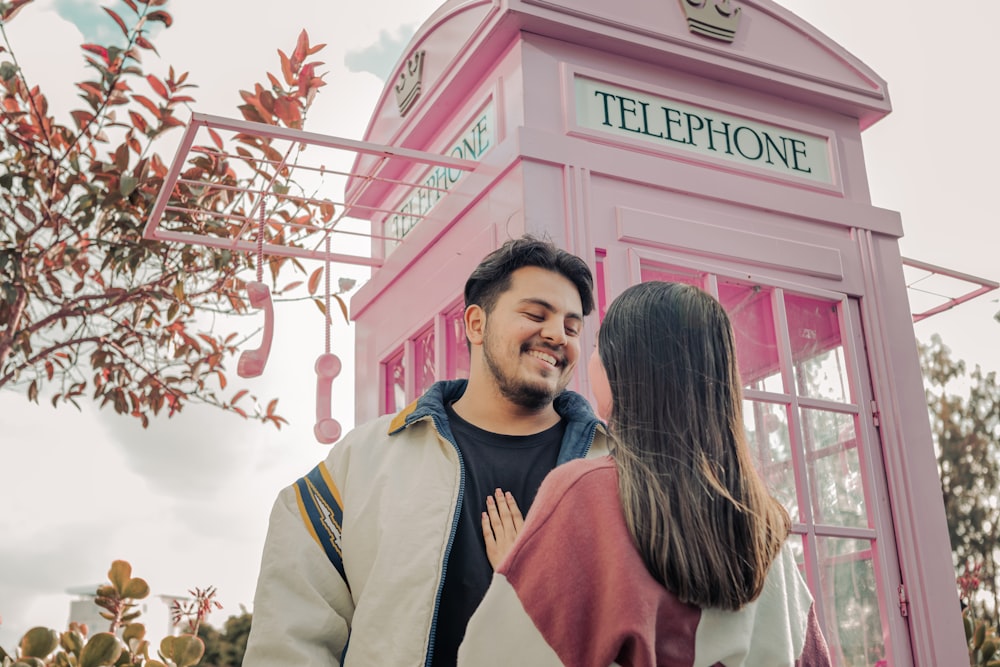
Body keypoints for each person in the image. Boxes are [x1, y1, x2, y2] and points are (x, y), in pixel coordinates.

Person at [242, 235, 610, 666]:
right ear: (476, 323)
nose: (556, 335)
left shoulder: (616, 471)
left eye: (572, 327)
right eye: (535, 314)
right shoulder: (363, 460)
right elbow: (290, 636)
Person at [459, 281, 832, 667]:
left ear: (627, 370)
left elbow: (489, 657)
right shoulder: (764, 524)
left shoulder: (587, 491)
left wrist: (525, 572)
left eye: (597, 346)